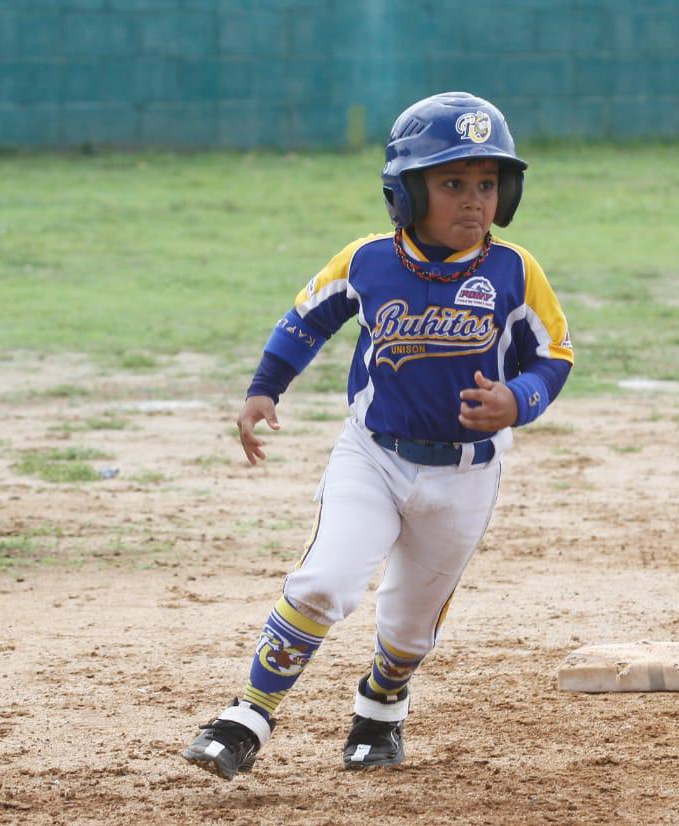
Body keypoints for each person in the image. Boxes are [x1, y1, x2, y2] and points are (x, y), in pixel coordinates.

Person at [181, 92, 573, 779]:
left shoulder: (514, 271)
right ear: (404, 191)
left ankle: (381, 708)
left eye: (487, 184)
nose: (473, 201)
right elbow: (304, 320)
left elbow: (555, 355)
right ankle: (247, 715)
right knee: (324, 581)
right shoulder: (368, 259)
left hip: (466, 475)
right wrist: (264, 388)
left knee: (410, 627)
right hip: (374, 457)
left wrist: (519, 398)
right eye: (452, 183)